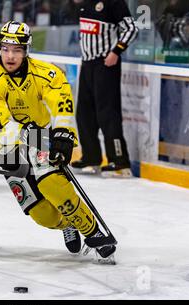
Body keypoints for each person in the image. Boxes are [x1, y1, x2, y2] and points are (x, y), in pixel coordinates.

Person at [0, 21, 116, 260]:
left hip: (39, 133)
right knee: (41, 214)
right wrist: (26, 135)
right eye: (6, 49)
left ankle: (92, 232)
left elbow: (61, 106)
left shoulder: (47, 73)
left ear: (26, 51)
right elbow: (1, 125)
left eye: (17, 49)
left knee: (52, 184)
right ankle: (67, 224)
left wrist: (62, 134)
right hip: (4, 145)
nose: (10, 56)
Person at [70, 0, 138, 177]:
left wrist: (116, 51)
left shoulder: (113, 2)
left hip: (106, 64)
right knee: (84, 114)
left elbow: (131, 29)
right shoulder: (84, 4)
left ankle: (120, 162)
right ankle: (91, 158)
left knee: (107, 114)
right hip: (87, 64)